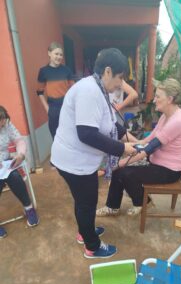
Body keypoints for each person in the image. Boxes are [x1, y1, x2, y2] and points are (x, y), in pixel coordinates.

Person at [51, 48, 137, 259]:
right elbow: (87, 134)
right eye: (119, 78)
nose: (120, 84)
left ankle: (85, 231)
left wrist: (132, 139)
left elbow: (108, 123)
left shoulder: (97, 88)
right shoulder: (89, 91)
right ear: (108, 71)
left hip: (76, 159)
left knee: (83, 201)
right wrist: (121, 148)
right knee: (87, 202)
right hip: (74, 162)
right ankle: (92, 246)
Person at [96, 78, 181, 217]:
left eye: (158, 97)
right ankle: (113, 206)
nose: (154, 100)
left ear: (170, 99)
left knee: (125, 173)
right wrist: (135, 145)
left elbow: (149, 149)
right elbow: (149, 139)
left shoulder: (177, 121)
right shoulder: (167, 116)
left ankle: (143, 202)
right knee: (120, 170)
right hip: (157, 161)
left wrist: (119, 163)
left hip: (168, 170)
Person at [0, 106, 39, 238]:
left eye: (3, 122)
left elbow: (19, 140)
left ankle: (29, 209)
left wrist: (20, 155)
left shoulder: (6, 124)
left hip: (5, 163)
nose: (2, 125)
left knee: (15, 177)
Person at [37, 42, 75, 139]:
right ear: (49, 53)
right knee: (56, 136)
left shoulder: (67, 70)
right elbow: (39, 92)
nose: (59, 57)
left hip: (67, 106)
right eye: (56, 54)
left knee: (70, 134)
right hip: (53, 107)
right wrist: (47, 108)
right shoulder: (43, 71)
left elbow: (74, 90)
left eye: (61, 55)